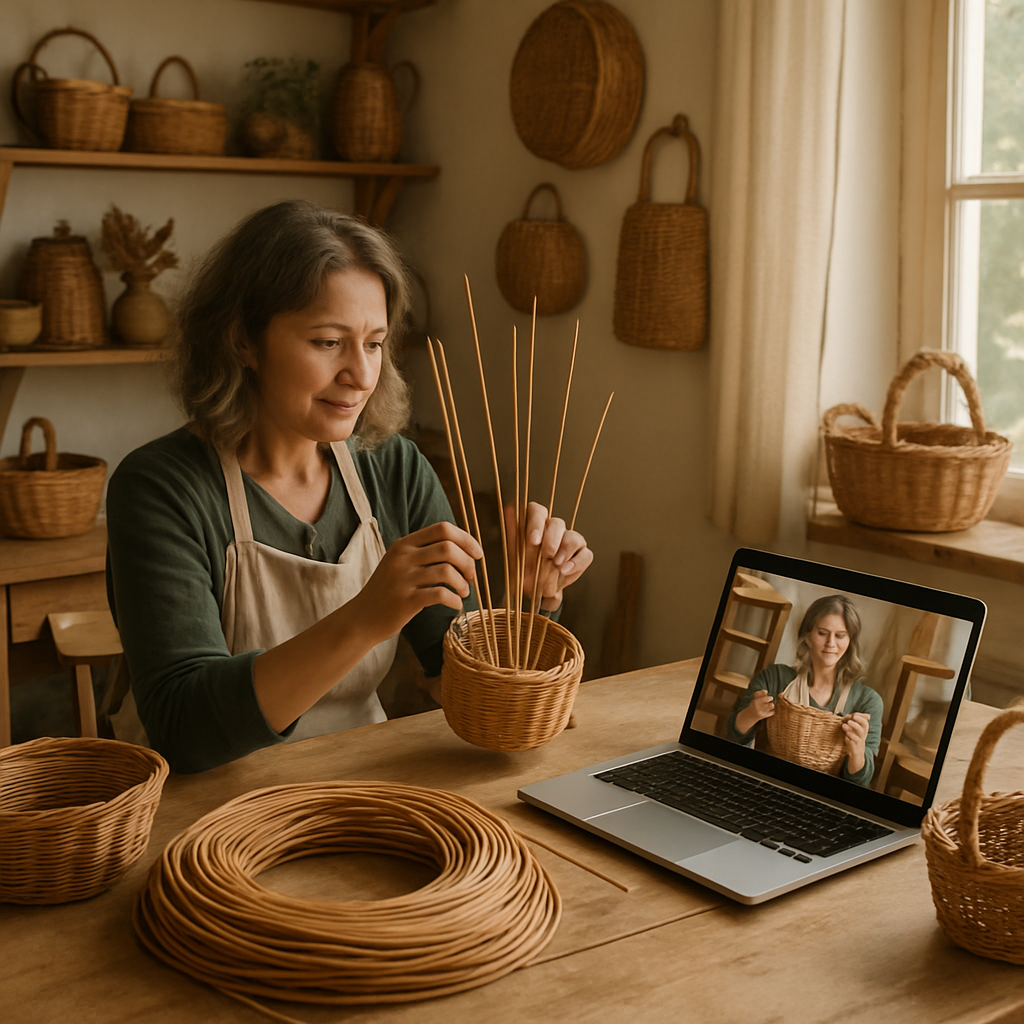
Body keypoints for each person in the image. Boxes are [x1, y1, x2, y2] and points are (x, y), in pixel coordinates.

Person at [104, 199, 592, 773]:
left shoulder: (393, 469)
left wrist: (527, 607)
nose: (361, 375)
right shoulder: (161, 488)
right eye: (328, 342)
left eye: (375, 343)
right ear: (242, 340)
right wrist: (366, 617)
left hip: (358, 789)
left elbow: (457, 682)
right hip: (200, 810)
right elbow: (183, 728)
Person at [726, 594, 883, 786]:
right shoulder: (775, 678)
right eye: (822, 633)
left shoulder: (867, 701)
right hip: (767, 782)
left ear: (850, 641)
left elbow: (860, 782)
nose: (831, 643)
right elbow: (733, 737)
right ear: (807, 635)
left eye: (840, 636)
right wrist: (751, 713)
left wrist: (858, 750)